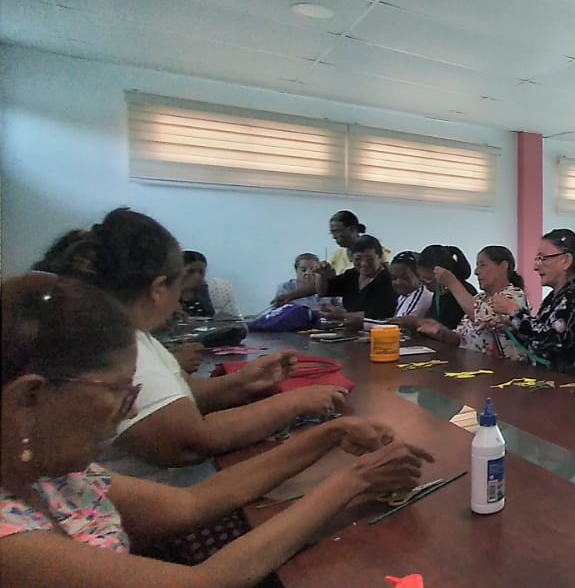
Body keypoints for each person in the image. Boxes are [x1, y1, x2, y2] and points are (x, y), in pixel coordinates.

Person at [0, 272, 432, 588]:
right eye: (117, 392)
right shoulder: (11, 540)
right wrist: (357, 479)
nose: (127, 411)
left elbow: (191, 504)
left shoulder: (55, 475)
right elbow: (207, 581)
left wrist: (331, 435)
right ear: (28, 398)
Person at [38, 208, 346, 488]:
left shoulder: (135, 336)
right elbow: (189, 443)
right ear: (158, 289)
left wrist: (244, 381)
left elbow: (177, 396)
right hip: (171, 499)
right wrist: (293, 403)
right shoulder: (118, 349)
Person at [494, 228, 575, 374]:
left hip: (564, 383)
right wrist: (512, 326)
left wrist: (514, 312)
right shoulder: (554, 297)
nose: (535, 267)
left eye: (543, 258)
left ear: (566, 261)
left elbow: (548, 340)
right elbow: (535, 339)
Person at [419, 246, 528, 361]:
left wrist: (452, 282)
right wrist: (440, 331)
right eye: (477, 266)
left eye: (482, 265)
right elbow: (461, 338)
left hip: (506, 369)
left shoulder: (514, 295)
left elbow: (483, 318)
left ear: (503, 266)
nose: (476, 272)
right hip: (474, 366)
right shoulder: (479, 298)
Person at [314, 235, 398, 321]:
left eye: (369, 259)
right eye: (358, 259)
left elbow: (377, 314)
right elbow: (323, 292)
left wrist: (340, 315)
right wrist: (321, 275)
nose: (364, 263)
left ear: (380, 257)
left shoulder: (388, 280)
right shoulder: (351, 275)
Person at [415, 245, 478, 330]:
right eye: (421, 278)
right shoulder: (438, 293)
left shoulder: (465, 293)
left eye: (428, 279)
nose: (424, 284)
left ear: (442, 273)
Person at [178, 251, 241, 319]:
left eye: (201, 272)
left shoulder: (210, 293)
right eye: (190, 272)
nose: (197, 277)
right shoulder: (171, 295)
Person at [326, 210, 389, 274]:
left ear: (352, 229)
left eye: (337, 231)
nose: (334, 236)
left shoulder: (377, 251)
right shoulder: (337, 256)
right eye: (332, 232)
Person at [388, 251, 431, 322]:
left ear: (419, 275)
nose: (398, 282)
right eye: (394, 278)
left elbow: (400, 325)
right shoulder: (405, 295)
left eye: (405, 278)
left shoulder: (421, 295)